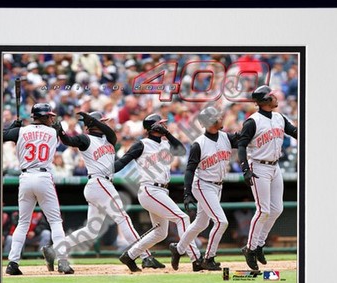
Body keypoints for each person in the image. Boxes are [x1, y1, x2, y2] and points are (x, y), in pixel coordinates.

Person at [41, 111, 164, 271]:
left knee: (91, 231)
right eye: (102, 121)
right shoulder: (86, 139)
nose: (106, 123)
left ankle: (53, 250)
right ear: (93, 125)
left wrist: (94, 120)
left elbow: (110, 133)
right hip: (99, 182)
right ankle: (145, 256)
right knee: (123, 218)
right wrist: (61, 131)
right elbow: (69, 140)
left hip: (100, 185)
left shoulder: (109, 139)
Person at [115, 113, 202, 272]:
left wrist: (167, 134)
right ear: (154, 127)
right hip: (150, 189)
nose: (165, 125)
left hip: (161, 190)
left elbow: (181, 151)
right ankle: (196, 258)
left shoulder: (165, 143)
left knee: (161, 233)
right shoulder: (142, 145)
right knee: (182, 218)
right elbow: (122, 161)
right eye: (161, 124)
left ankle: (130, 255)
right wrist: (107, 172)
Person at [2, 103, 74, 275]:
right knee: (56, 221)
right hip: (43, 177)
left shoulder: (20, 131)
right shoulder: (53, 131)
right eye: (48, 116)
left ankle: (13, 263)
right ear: (42, 116)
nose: (51, 118)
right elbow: (64, 135)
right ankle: (63, 262)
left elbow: (1, 136)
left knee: (22, 223)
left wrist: (13, 126)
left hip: (25, 178)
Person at [169, 107, 239, 271]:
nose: (220, 119)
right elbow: (189, 170)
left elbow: (244, 139)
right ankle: (209, 258)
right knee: (222, 222)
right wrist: (187, 193)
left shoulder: (226, 137)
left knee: (200, 223)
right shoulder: (198, 144)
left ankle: (178, 249)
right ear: (209, 122)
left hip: (217, 186)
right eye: (217, 117)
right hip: (203, 185)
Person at [238, 85, 298, 270]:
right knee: (263, 210)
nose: (275, 97)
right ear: (264, 101)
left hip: (275, 167)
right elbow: (241, 146)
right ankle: (250, 248)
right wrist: (245, 169)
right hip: (259, 167)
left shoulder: (279, 117)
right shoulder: (252, 121)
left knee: (277, 209)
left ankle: (258, 245)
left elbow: (295, 132)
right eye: (271, 96)